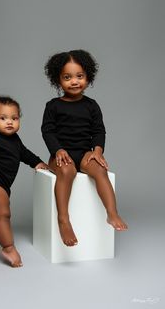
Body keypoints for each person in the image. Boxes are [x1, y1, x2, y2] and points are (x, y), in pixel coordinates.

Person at [41, 49, 128, 247]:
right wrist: (58, 150)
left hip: (83, 152)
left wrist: (97, 151)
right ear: (58, 80)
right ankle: (63, 219)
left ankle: (112, 213)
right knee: (66, 170)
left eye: (79, 76)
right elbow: (47, 131)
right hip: (60, 154)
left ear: (88, 76)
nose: (74, 81)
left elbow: (99, 130)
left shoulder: (92, 105)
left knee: (100, 169)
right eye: (67, 77)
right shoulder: (53, 106)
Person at [0, 96, 48, 267]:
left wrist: (38, 163)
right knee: (3, 214)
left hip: (0, 186)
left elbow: (25, 154)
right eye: (3, 118)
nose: (9, 122)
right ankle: (9, 247)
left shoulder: (16, 140)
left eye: (14, 118)